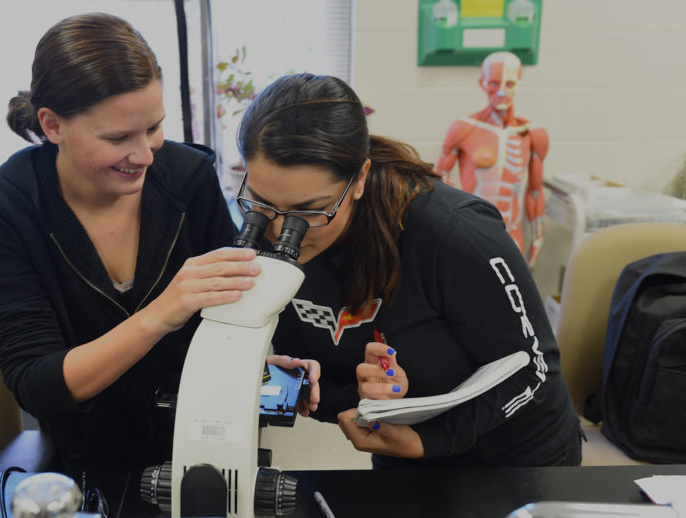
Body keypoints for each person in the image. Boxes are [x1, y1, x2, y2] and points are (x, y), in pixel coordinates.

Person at [0, 12, 288, 473]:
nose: (145, 155)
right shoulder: (6, 208)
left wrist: (268, 361)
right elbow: (37, 384)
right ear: (52, 125)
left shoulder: (188, 179)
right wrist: (162, 312)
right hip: (84, 463)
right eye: (118, 138)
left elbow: (231, 315)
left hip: (200, 448)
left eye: (154, 127)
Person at [236, 73, 581, 467]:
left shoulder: (453, 233)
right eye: (262, 202)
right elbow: (318, 374)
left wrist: (428, 441)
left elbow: (534, 371)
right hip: (403, 453)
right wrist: (311, 386)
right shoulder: (263, 229)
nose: (283, 232)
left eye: (311, 211)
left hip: (512, 455)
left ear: (360, 178)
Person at [436, 51, 549, 267]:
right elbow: (439, 184)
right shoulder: (464, 128)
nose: (501, 92)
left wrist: (538, 236)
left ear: (518, 83)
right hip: (470, 230)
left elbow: (535, 193)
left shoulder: (533, 133)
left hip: (512, 233)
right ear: (482, 83)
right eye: (494, 84)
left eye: (509, 84)